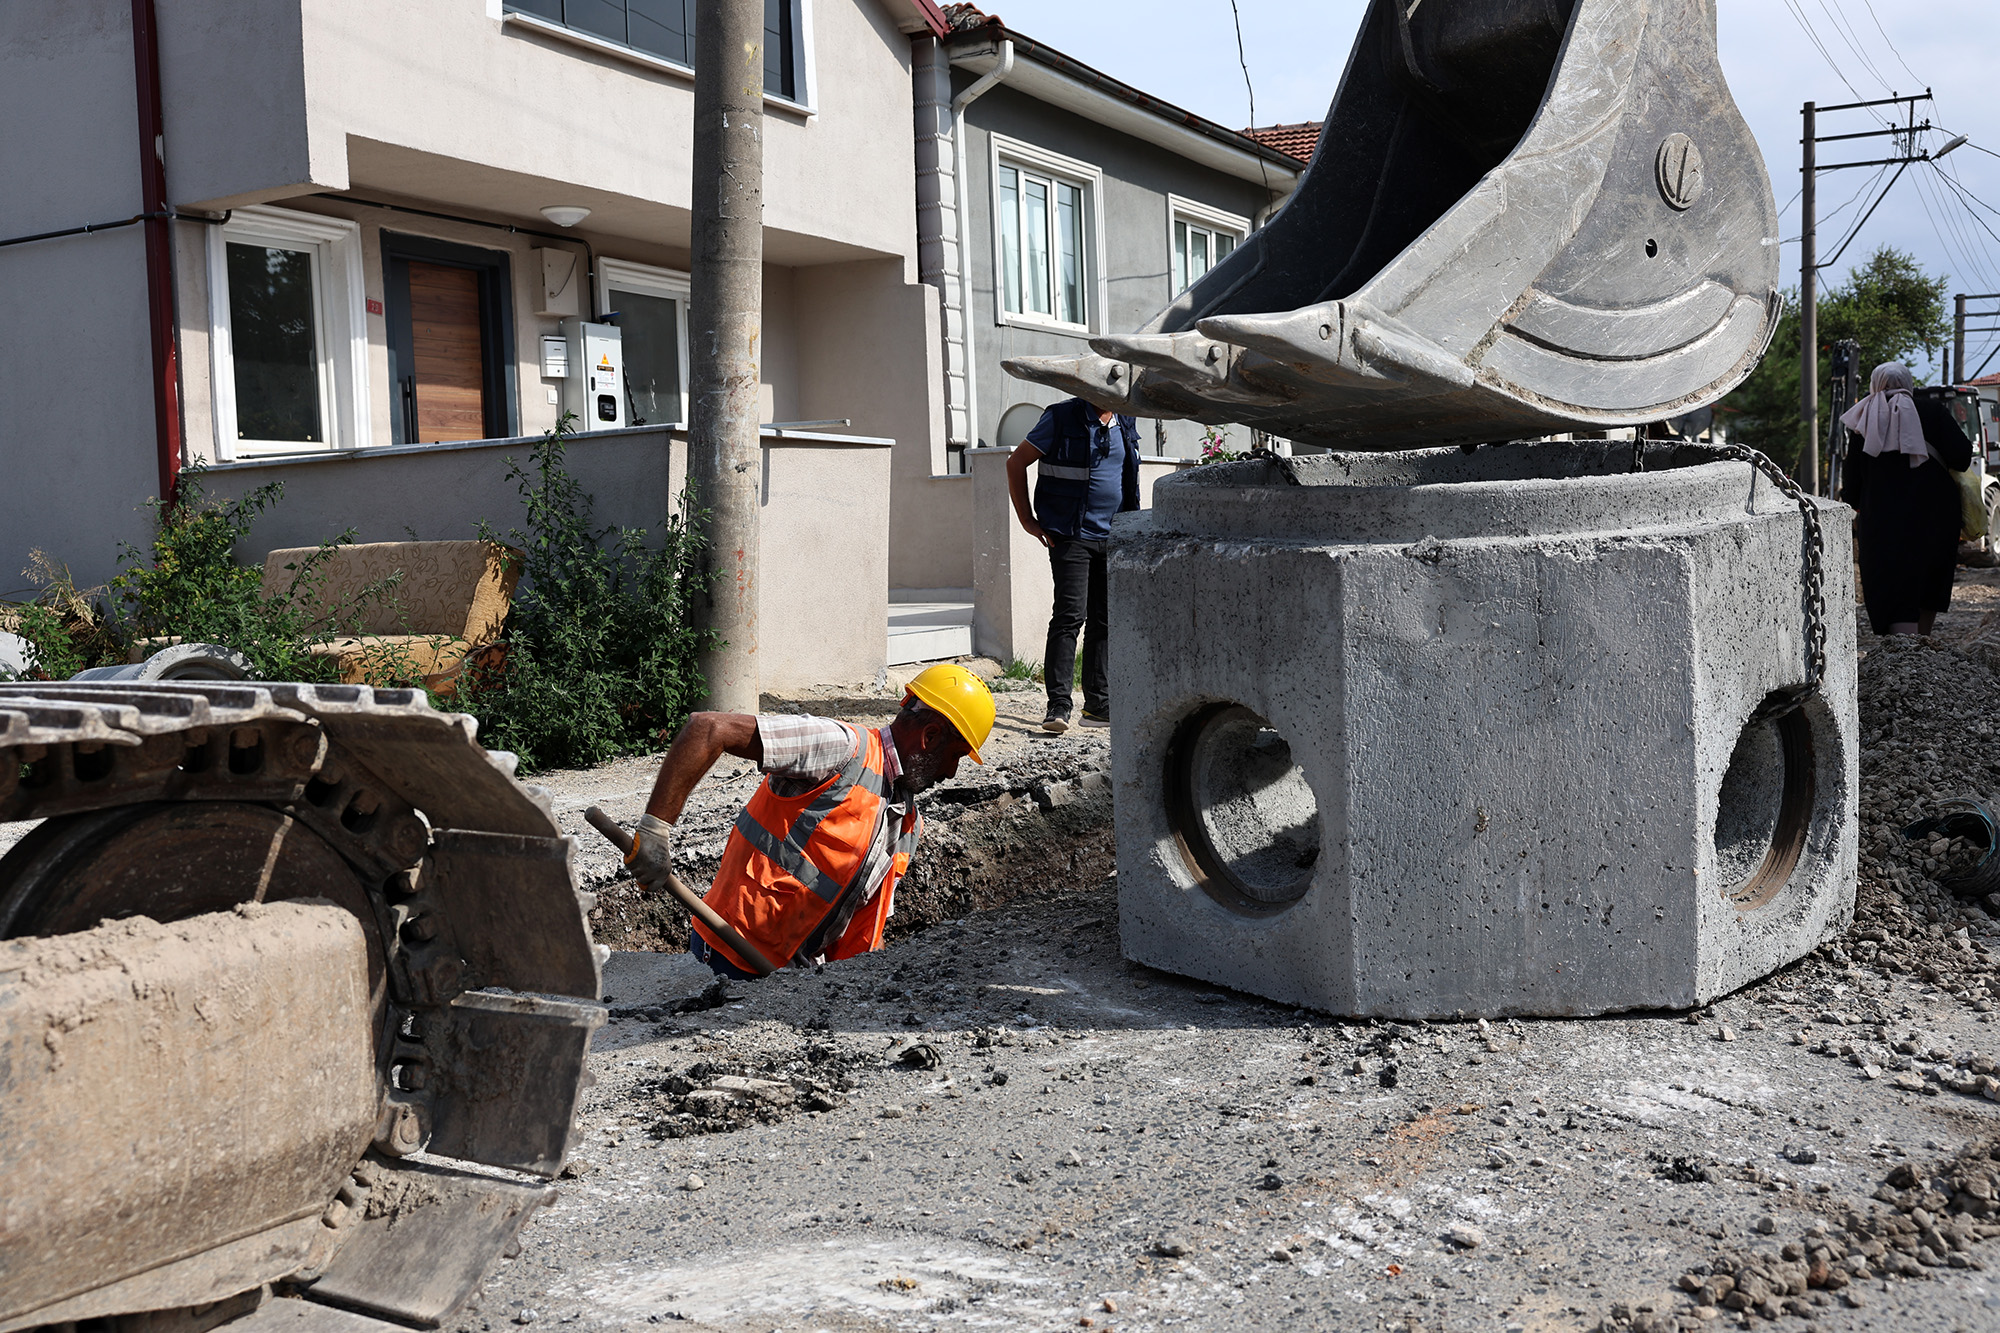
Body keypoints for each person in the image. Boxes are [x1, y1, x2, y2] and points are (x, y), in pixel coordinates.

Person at [622, 664, 996, 978]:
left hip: (793, 985)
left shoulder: (907, 823)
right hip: (725, 959)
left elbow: (862, 936)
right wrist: (656, 829)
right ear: (930, 736)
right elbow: (709, 729)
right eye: (956, 755)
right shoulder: (840, 748)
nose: (952, 772)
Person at [1005, 396, 1141, 733]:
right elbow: (1015, 463)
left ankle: (1097, 705)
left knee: (1105, 620)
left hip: (1114, 535)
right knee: (1070, 616)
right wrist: (1027, 520)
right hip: (1070, 534)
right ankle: (1058, 706)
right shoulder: (1060, 417)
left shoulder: (1124, 419)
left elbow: (1127, 476)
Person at [1838, 362, 1972, 636]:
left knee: (1889, 579)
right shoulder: (1933, 412)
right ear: (1909, 383)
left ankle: (1901, 644)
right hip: (1935, 517)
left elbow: (1851, 487)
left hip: (1882, 521)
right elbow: (1961, 457)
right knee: (1927, 574)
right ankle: (1921, 641)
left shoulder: (1861, 420)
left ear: (1875, 384)